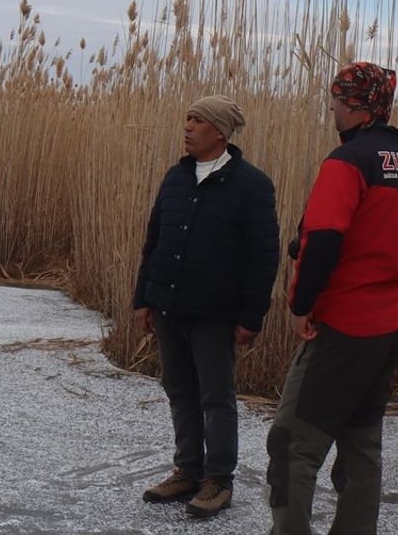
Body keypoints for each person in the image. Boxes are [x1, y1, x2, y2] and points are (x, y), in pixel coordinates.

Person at [266, 62, 398, 535]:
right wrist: (385, 291)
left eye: (337, 99)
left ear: (357, 106)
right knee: (361, 446)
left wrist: (302, 306)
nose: (331, 107)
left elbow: (321, 240)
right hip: (389, 326)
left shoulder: (347, 161)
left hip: (344, 327)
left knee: (291, 444)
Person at [134, 95, 280, 519]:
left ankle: (218, 479)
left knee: (216, 397)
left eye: (197, 120)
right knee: (179, 390)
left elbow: (263, 257)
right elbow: (154, 240)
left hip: (215, 313)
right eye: (187, 117)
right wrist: (145, 298)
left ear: (219, 131)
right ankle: (188, 469)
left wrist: (251, 317)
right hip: (169, 307)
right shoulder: (176, 177)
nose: (187, 126)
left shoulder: (252, 185)